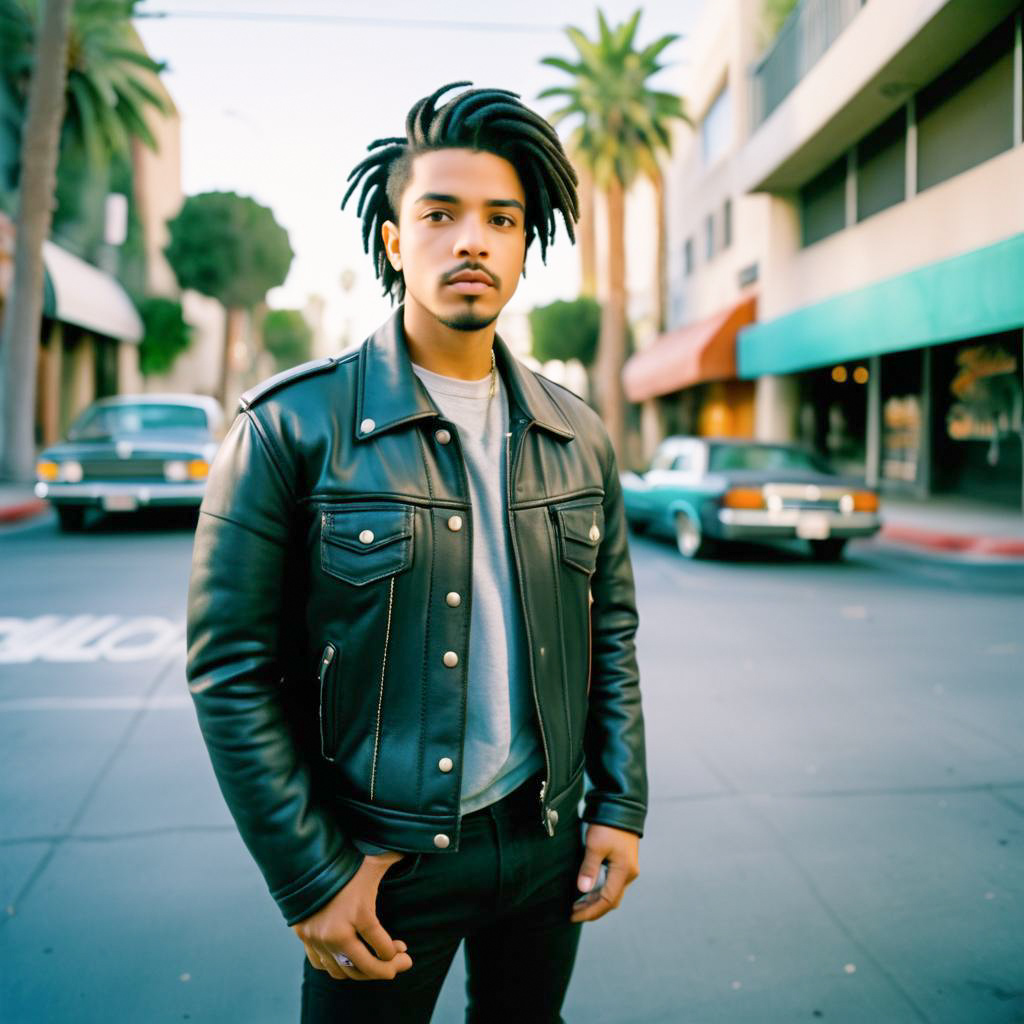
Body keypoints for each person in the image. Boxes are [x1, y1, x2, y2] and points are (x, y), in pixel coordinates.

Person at [185, 81, 646, 1023]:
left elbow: (614, 634)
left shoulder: (580, 436)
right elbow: (230, 670)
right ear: (396, 242)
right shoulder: (290, 428)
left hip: (547, 838)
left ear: (525, 248)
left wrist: (620, 805)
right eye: (439, 214)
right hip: (380, 863)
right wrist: (312, 876)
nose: (470, 239)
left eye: (500, 219)